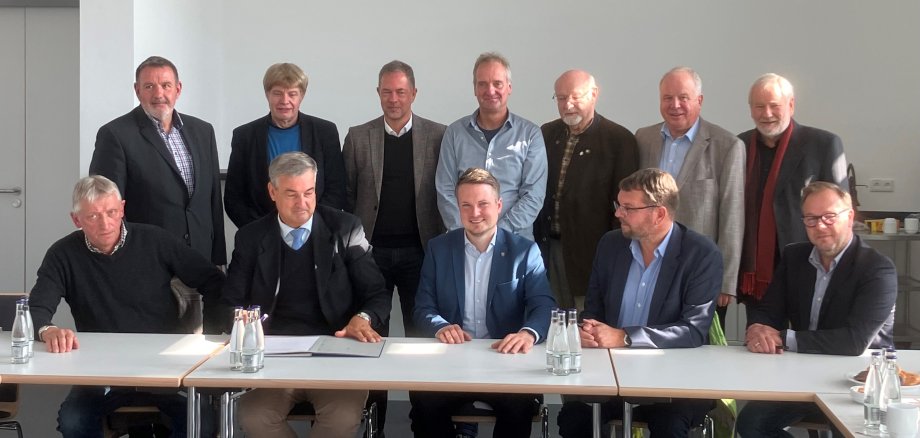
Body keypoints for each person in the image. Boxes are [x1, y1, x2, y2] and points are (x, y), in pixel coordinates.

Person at [28, 175, 224, 438]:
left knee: (202, 423)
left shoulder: (155, 240)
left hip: (163, 366)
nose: (105, 224)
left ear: (122, 208)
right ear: (76, 220)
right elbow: (36, 308)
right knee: (73, 421)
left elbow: (213, 282)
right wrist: (47, 330)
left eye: (111, 212)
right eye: (93, 216)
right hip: (99, 370)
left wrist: (211, 335)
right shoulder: (62, 254)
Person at [222, 151, 390, 438]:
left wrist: (362, 317)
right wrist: (247, 329)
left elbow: (377, 294)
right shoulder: (251, 237)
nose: (302, 203)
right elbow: (231, 303)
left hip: (336, 354)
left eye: (309, 192)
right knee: (254, 417)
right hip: (274, 358)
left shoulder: (346, 229)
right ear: (272, 192)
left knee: (341, 419)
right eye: (291, 194)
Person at [557, 168, 722, 438]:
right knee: (574, 418)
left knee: (669, 426)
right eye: (619, 205)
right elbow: (594, 310)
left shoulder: (701, 254)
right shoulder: (611, 245)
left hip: (675, 380)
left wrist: (625, 337)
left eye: (628, 208)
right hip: (610, 374)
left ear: (659, 214)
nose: (618, 214)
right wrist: (586, 330)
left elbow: (692, 330)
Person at [735, 182, 897, 436]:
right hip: (802, 376)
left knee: (848, 432)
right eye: (811, 219)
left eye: (829, 216)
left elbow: (854, 341)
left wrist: (783, 339)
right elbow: (768, 309)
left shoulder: (877, 269)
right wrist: (758, 328)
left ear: (850, 217)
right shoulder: (794, 257)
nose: (820, 226)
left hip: (858, 383)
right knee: (751, 424)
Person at [411, 167, 556, 438]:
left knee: (518, 408)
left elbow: (544, 306)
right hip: (451, 361)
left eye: (483, 204)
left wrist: (528, 333)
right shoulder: (439, 248)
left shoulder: (524, 251)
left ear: (499, 205)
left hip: (504, 362)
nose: (475, 212)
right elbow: (423, 307)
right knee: (424, 403)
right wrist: (441, 326)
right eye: (466, 205)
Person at [342, 59, 446, 436]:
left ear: (414, 94)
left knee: (423, 340)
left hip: (422, 253)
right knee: (373, 341)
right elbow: (347, 197)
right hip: (371, 256)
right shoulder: (358, 137)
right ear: (378, 93)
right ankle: (376, 426)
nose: (394, 99)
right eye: (386, 92)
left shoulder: (439, 135)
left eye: (401, 92)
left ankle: (426, 424)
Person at [635, 66, 744, 327]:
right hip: (649, 264)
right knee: (649, 336)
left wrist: (726, 281)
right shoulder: (643, 138)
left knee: (698, 342)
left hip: (700, 267)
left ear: (699, 100)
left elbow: (733, 216)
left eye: (683, 97)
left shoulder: (727, 145)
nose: (675, 105)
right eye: (667, 98)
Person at [90, 55, 226, 266]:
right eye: (149, 86)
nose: (158, 94)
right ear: (137, 90)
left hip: (200, 260)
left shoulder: (203, 131)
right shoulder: (115, 135)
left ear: (178, 89)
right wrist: (121, 263)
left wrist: (218, 259)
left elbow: (213, 201)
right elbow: (105, 206)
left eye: (166, 85)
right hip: (146, 260)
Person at [737, 73, 848, 311]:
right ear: (750, 109)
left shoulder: (823, 144)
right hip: (754, 272)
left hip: (809, 266)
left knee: (805, 333)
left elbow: (840, 211)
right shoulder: (739, 146)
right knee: (759, 331)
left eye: (774, 105)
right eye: (759, 106)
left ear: (791, 105)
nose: (767, 113)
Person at [536, 69, 638, 310]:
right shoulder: (546, 134)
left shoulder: (619, 140)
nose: (567, 104)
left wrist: (615, 258)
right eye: (561, 98)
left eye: (575, 97)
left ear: (594, 94)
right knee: (550, 319)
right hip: (548, 249)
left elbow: (626, 206)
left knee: (587, 322)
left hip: (591, 254)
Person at [435, 52, 547, 240]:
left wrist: (496, 234)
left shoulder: (530, 135)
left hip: (515, 242)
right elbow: (445, 190)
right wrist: (467, 233)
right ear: (475, 89)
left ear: (509, 87)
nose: (490, 90)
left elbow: (533, 195)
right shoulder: (454, 133)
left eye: (497, 83)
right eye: (482, 84)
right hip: (464, 242)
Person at [225, 62, 347, 228]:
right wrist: (260, 231)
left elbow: (336, 189)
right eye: (277, 93)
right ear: (267, 94)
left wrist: (311, 227)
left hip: (316, 232)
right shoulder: (244, 136)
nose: (285, 100)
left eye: (292, 94)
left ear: (301, 96)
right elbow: (234, 197)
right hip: (261, 234)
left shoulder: (325, 132)